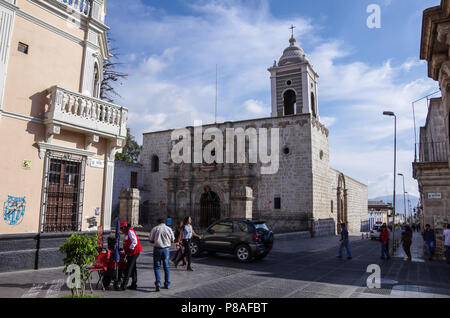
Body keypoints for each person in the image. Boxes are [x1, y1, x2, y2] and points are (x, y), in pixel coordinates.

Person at [149, 218, 175, 292]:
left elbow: (150, 240)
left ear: (158, 222)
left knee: (157, 267)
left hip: (157, 249)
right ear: (164, 222)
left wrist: (156, 240)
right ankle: (167, 283)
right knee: (166, 267)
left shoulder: (155, 228)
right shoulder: (169, 229)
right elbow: (173, 240)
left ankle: (158, 283)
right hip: (166, 249)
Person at [120, 222, 142, 290]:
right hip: (131, 252)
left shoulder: (130, 231)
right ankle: (134, 284)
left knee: (129, 268)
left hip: (134, 252)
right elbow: (126, 242)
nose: (121, 230)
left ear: (124, 227)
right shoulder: (127, 233)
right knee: (133, 268)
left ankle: (124, 285)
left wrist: (130, 249)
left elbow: (134, 241)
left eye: (121, 229)